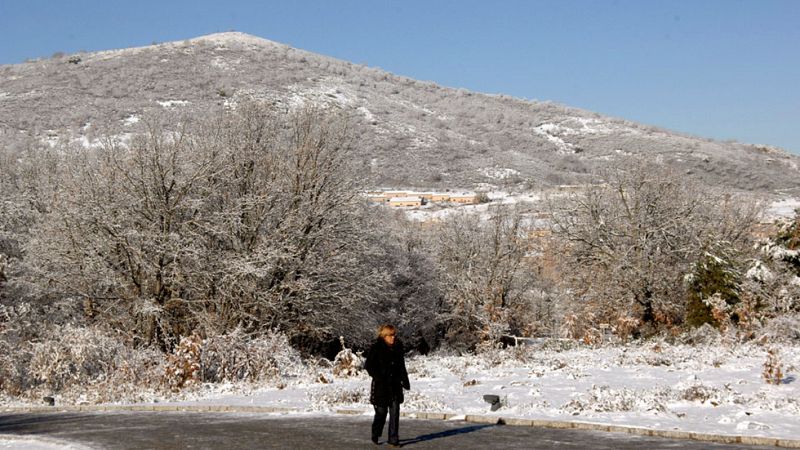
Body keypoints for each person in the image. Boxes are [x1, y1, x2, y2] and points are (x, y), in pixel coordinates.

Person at [365, 324, 410, 446]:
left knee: (395, 413)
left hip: (395, 386)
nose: (393, 337)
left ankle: (393, 439)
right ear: (384, 336)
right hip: (381, 387)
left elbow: (401, 366)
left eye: (394, 335)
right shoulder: (376, 348)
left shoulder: (398, 348)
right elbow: (368, 366)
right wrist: (379, 377)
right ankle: (376, 432)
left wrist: (405, 381)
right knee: (381, 413)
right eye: (390, 335)